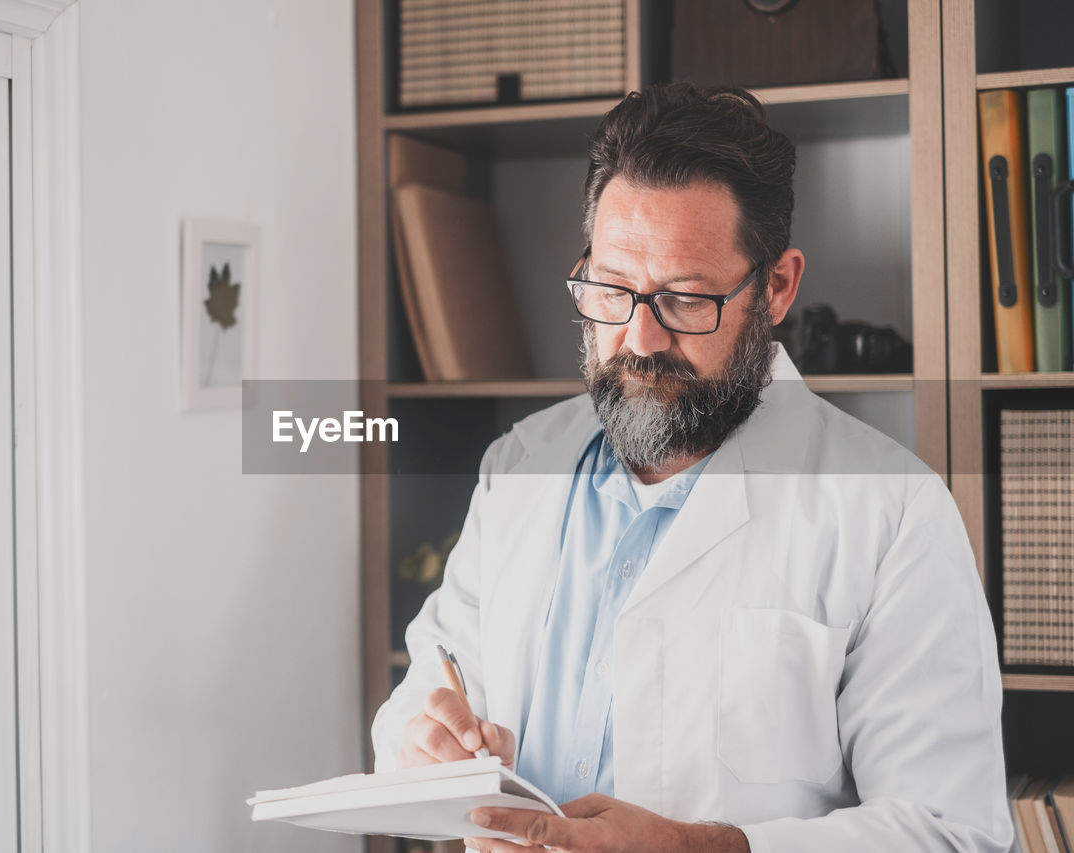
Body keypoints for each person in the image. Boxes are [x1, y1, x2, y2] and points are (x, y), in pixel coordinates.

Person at [369, 84, 1013, 853]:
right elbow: (428, 688)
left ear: (775, 287)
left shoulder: (892, 512)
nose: (639, 337)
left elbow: (954, 831)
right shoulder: (518, 465)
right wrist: (423, 744)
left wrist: (701, 849)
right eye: (611, 289)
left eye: (683, 298)